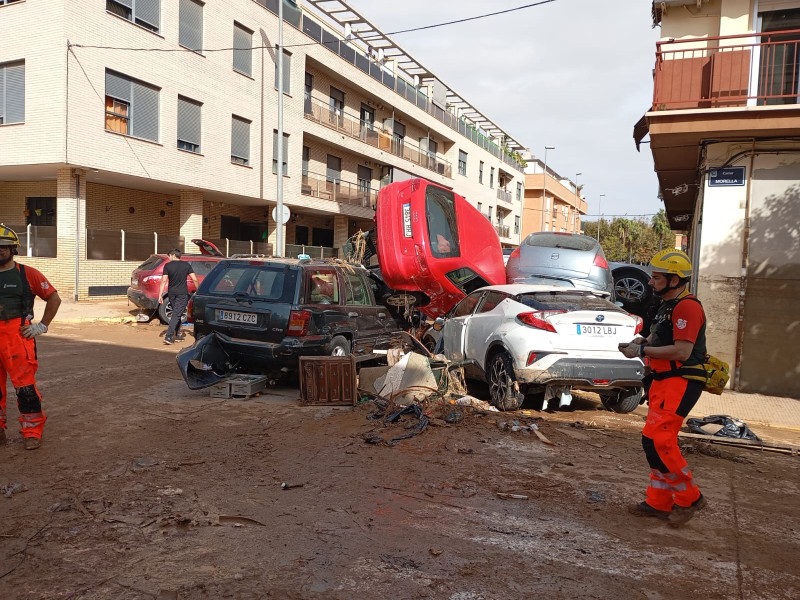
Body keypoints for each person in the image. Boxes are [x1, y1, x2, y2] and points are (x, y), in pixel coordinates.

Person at [618, 249, 708, 527]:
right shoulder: (666, 306)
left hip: (681, 380)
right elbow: (659, 340)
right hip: (664, 380)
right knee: (651, 440)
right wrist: (641, 347)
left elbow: (682, 351)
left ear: (674, 279)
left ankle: (690, 498)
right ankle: (658, 502)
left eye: (656, 277)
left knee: (661, 440)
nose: (650, 282)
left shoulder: (687, 307)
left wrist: (643, 349)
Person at [0, 226, 61, 450]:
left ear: (12, 248)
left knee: (25, 388)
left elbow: (53, 298)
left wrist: (42, 326)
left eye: (3, 246)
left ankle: (32, 431)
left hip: (17, 336)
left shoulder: (27, 274)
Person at [158, 249, 198, 345]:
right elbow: (194, 279)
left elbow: (163, 281)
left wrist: (160, 294)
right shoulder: (186, 265)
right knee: (176, 314)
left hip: (171, 293)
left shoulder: (167, 266)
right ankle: (168, 336)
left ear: (173, 255)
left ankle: (178, 335)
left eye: (169, 256)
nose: (169, 258)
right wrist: (198, 290)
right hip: (182, 294)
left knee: (177, 312)